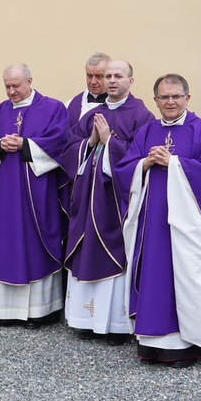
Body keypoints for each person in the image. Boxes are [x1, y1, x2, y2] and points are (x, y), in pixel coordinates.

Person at [115, 73, 201, 368]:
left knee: (186, 279)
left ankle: (184, 347)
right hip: (153, 225)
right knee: (154, 277)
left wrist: (175, 163)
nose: (170, 102)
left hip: (187, 228)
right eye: (164, 97)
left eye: (176, 96)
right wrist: (145, 162)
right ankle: (153, 345)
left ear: (187, 98)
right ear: (155, 100)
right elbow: (123, 168)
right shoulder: (146, 132)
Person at [62, 59, 154, 344]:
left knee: (115, 255)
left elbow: (141, 159)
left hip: (115, 202)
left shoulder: (142, 116)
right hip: (88, 200)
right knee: (86, 250)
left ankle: (114, 324)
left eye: (118, 76)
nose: (111, 81)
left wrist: (110, 141)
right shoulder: (94, 113)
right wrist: (90, 142)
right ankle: (85, 319)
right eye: (108, 76)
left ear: (130, 80)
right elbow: (68, 149)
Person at [0, 63, 69, 329]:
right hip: (2, 196)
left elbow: (60, 142)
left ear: (30, 80)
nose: (11, 91)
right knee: (3, 243)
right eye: (7, 86)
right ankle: (2, 310)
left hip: (36, 197)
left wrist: (26, 144)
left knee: (34, 245)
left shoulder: (53, 108)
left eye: (16, 85)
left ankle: (38, 312)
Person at [65, 52, 111, 128]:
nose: (93, 82)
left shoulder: (119, 105)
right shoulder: (70, 105)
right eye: (89, 76)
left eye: (99, 76)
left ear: (109, 76)